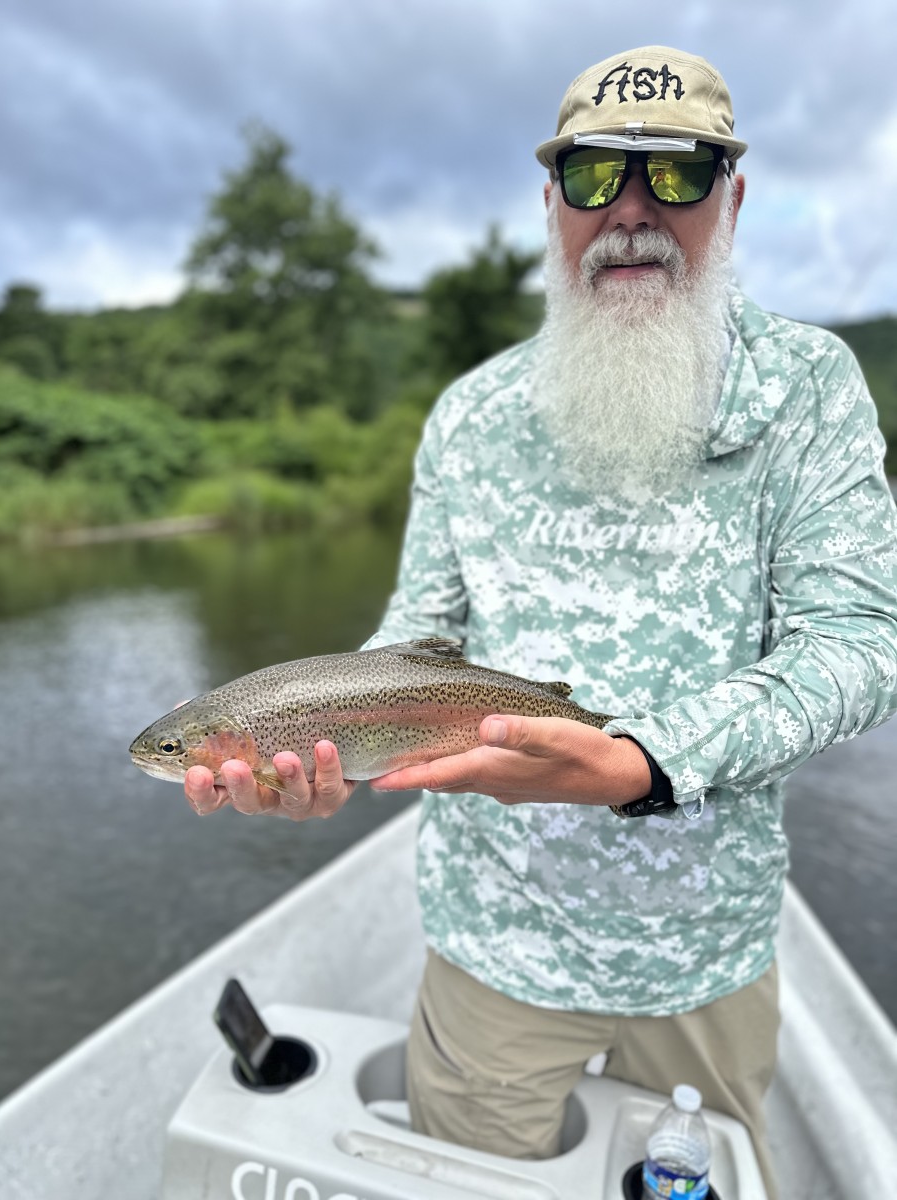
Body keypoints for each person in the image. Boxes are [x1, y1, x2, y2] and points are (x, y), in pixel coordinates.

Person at [183, 45, 897, 1198]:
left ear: (735, 197)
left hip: (704, 954)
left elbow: (862, 642)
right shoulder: (469, 416)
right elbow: (416, 637)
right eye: (592, 178)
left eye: (676, 178)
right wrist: (305, 741)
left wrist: (641, 763)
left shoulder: (809, 390)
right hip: (491, 945)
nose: (630, 213)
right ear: (549, 199)